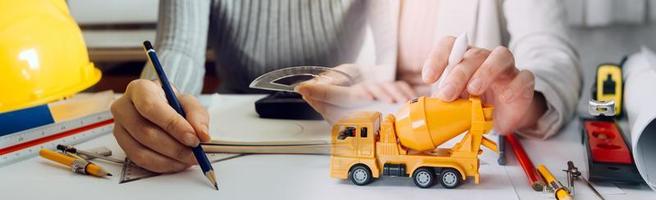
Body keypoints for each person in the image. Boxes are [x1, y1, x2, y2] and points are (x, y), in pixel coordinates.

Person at [111, 0, 581, 173]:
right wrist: (153, 97)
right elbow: (177, 50)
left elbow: (551, 49)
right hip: (260, 154)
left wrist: (529, 99)